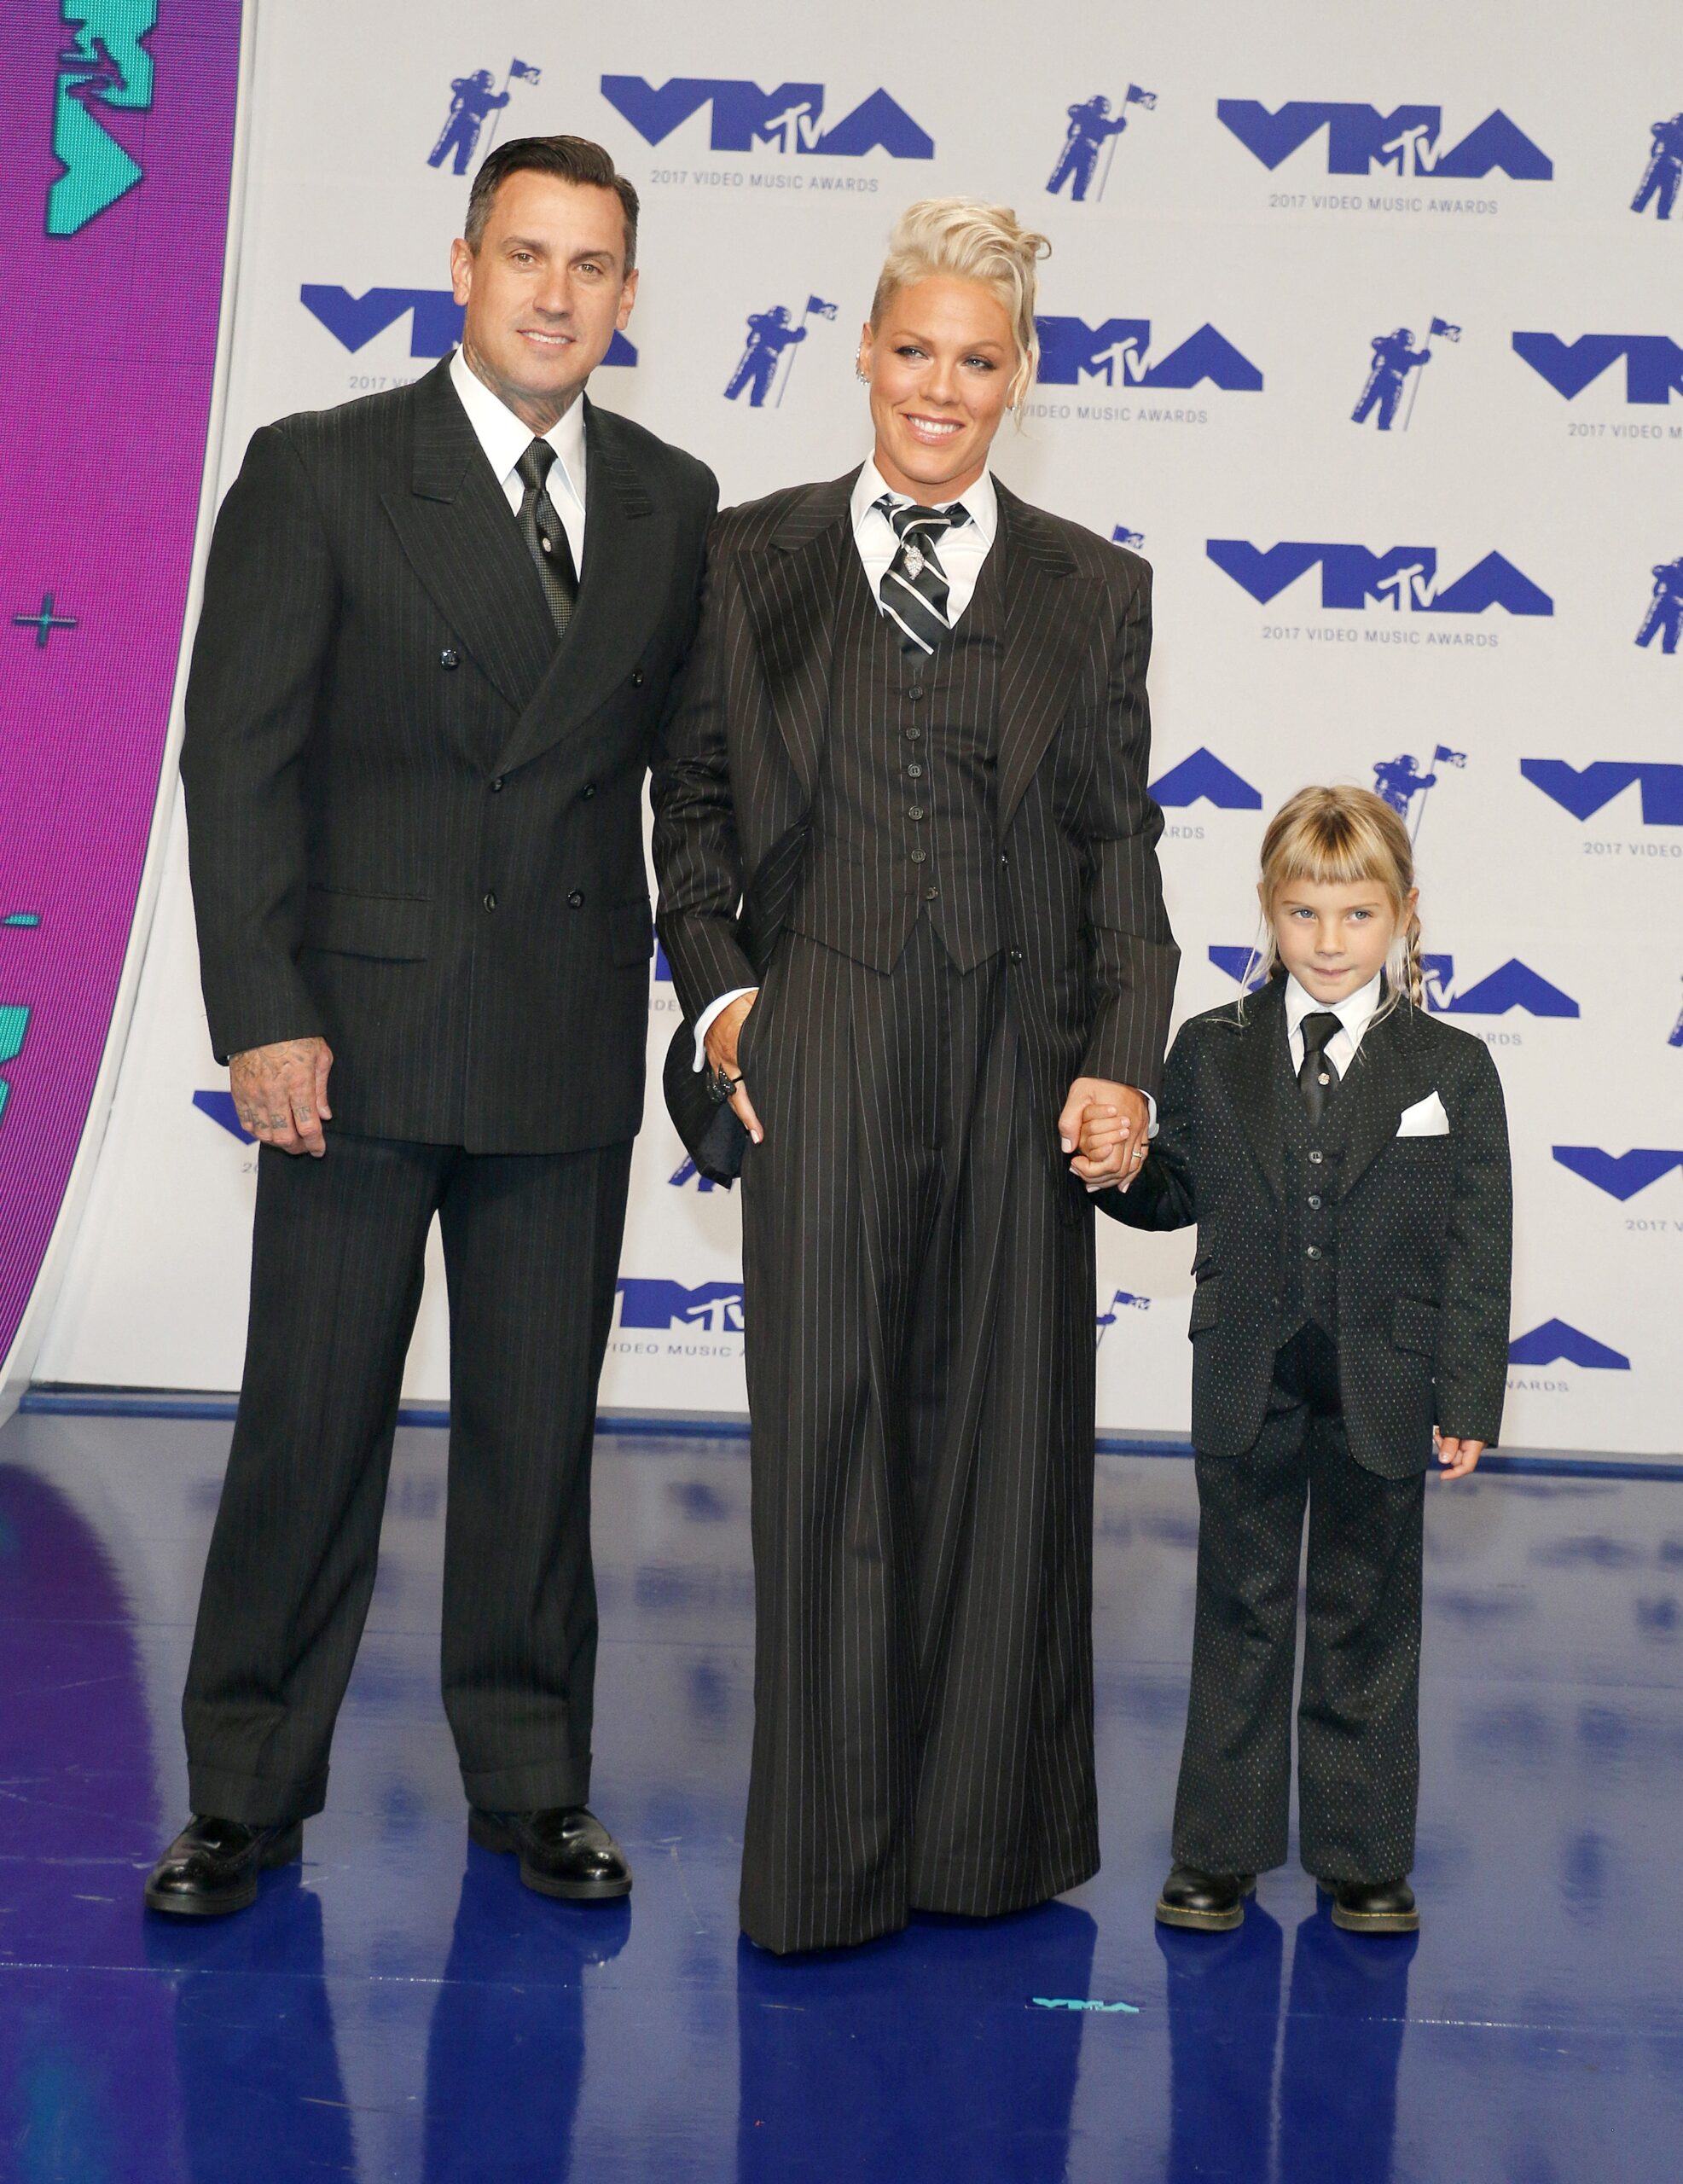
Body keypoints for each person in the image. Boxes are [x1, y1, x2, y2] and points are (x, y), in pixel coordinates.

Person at [146, 136, 717, 1918]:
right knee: (308, 1431)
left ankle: (533, 1781)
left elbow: (693, 781)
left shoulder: (672, 499)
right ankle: (243, 1792)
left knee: (537, 1443)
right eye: (525, 254)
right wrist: (263, 1013)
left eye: (590, 264)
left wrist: (736, 993)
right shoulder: (318, 470)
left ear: (629, 296)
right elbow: (236, 763)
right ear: (460, 266)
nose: (556, 292)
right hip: (355, 1046)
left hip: (561, 1038)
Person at [653, 197, 1178, 1955]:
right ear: (863, 355)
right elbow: (691, 817)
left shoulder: (1092, 591)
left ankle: (983, 1844)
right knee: (823, 1448)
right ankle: (824, 1867)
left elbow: (1117, 852)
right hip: (821, 1039)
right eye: (911, 352)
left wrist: (1120, 1058)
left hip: (1020, 1063)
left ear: (1017, 377)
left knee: (1009, 1457)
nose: (938, 388)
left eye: (975, 359)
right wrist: (730, 1008)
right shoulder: (748, 560)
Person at [1091, 785, 1511, 1936]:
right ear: (1267, 911)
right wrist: (1121, 1172)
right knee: (1240, 1608)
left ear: (1406, 914)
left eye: (1357, 915)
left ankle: (1362, 1857)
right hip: (1245, 1370)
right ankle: (1215, 1851)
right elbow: (1172, 1189)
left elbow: (1478, 1244)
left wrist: (1467, 1393)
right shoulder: (1209, 1049)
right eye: (1303, 914)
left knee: (1367, 1615)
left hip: (1386, 1377)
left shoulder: (1454, 1066)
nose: (1329, 942)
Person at [429, 70, 511, 177]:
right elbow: (455, 84)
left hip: (471, 123)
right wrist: (503, 99)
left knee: (465, 148)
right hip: (460, 118)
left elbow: (498, 102)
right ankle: (437, 163)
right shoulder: (466, 88)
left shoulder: (484, 96)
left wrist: (504, 98)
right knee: (449, 143)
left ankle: (456, 169)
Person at [1048, 96, 1129, 200]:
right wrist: (1120, 124)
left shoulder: (1097, 121)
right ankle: (1056, 191)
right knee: (1067, 172)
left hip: (1085, 149)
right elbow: (1072, 110)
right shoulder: (1084, 115)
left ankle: (1070, 195)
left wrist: (1120, 124)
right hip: (1079, 146)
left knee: (1081, 176)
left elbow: (1115, 128)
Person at [724, 305, 806, 407]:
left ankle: (752, 401)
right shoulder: (762, 324)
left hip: (766, 358)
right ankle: (734, 396)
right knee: (744, 378)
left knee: (761, 383)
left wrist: (801, 333)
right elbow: (751, 320)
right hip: (756, 354)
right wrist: (800, 333)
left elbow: (795, 337)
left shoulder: (779, 331)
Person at [1352, 328, 1431, 430]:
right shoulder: (1391, 348)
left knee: (1380, 404)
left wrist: (1425, 356)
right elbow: (1419, 359)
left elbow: (1375, 342)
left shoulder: (1389, 347)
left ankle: (1365, 420)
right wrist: (1425, 355)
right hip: (1387, 378)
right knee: (1381, 404)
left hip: (1385, 377)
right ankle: (1372, 422)